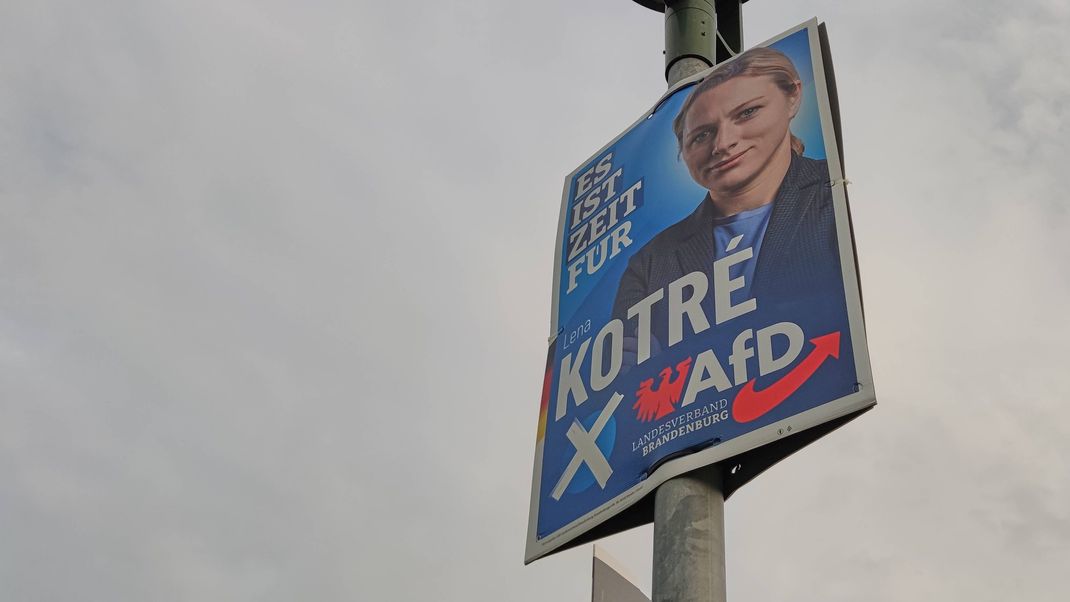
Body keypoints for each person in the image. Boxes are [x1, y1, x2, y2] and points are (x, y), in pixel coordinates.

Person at [611, 47, 844, 356]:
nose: (723, 144)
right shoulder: (650, 263)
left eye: (747, 113)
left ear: (793, 97)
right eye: (701, 136)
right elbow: (622, 372)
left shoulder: (832, 191)